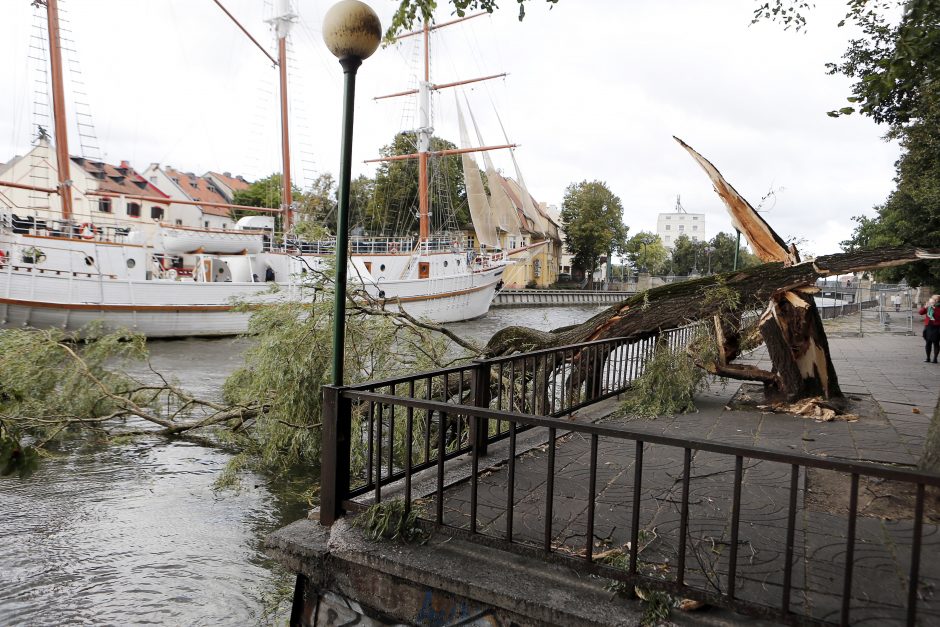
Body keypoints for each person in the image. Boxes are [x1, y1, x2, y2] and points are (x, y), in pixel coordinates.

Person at [918, 295, 940, 363]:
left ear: (938, 300)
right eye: (933, 299)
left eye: (935, 299)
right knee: (928, 343)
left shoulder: (938, 307)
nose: (933, 300)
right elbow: (920, 312)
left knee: (936, 343)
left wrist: (934, 308)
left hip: (937, 327)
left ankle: (935, 358)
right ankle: (928, 358)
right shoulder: (928, 307)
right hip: (928, 326)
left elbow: (938, 315)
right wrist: (925, 307)